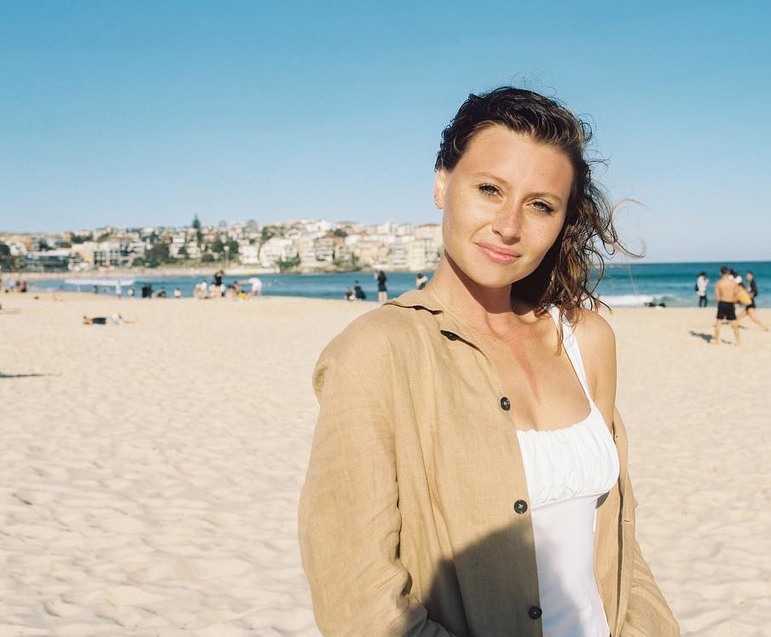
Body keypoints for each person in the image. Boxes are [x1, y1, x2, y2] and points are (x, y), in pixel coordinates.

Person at [299, 87, 678, 636]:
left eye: (541, 205)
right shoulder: (377, 352)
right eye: (489, 189)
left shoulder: (586, 340)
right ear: (441, 184)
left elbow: (618, 538)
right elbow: (358, 601)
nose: (509, 225)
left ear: (563, 220)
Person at [713, 265, 742, 346]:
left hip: (722, 303)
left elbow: (716, 297)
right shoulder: (733, 283)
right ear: (728, 272)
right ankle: (738, 341)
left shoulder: (718, 283)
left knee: (718, 321)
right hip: (730, 303)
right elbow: (737, 295)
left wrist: (718, 302)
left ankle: (716, 341)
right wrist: (735, 302)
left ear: (720, 273)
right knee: (734, 322)